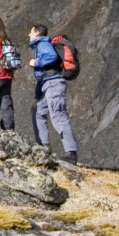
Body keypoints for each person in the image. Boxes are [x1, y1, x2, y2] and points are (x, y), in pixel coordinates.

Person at [29, 24, 78, 163]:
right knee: (37, 111)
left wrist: (36, 62)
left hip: (54, 85)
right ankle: (44, 148)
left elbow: (51, 57)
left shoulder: (43, 44)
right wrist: (37, 97)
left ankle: (71, 153)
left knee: (58, 116)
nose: (29, 35)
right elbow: (42, 76)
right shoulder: (40, 45)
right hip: (48, 85)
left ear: (37, 33)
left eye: (31, 32)